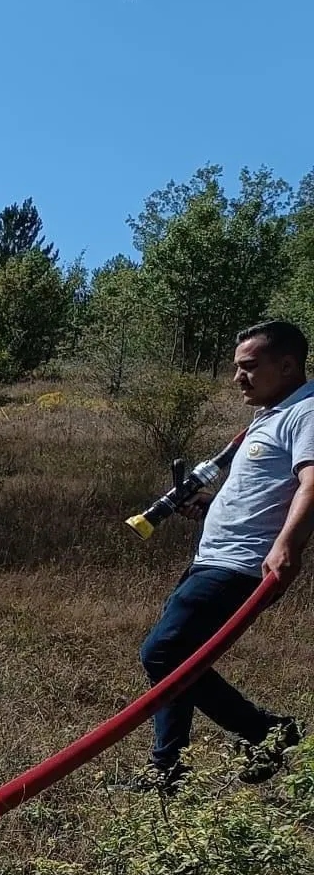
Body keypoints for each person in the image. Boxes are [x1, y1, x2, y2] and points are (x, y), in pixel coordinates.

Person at [137, 319, 312, 790]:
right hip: (213, 557)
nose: (238, 378)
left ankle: (268, 732)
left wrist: (286, 545)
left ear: (289, 365)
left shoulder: (306, 413)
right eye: (237, 368)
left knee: (164, 653)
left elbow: (312, 483)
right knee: (181, 658)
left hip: (242, 565)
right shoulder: (270, 416)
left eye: (249, 367)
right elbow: (263, 490)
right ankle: (167, 768)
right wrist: (209, 507)